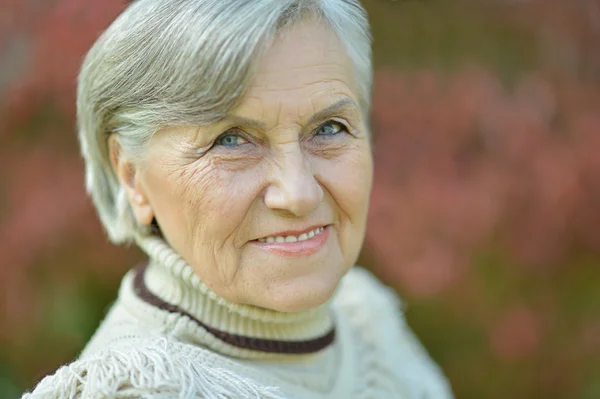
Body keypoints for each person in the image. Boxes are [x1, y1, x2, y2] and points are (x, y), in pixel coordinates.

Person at [23, 0, 453, 397]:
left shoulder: (367, 321)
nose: (299, 194)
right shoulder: (141, 390)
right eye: (231, 140)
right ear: (131, 175)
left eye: (328, 128)